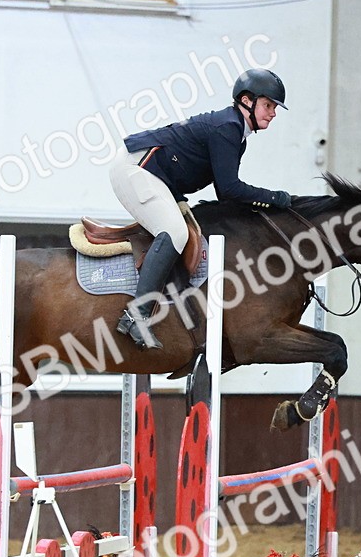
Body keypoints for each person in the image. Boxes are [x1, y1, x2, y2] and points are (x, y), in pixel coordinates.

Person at [110, 68, 294, 350]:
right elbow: (229, 189)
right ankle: (137, 315)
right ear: (247, 100)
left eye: (274, 107)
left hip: (157, 176)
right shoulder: (227, 128)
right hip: (137, 169)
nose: (273, 113)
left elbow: (226, 195)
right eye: (268, 105)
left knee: (186, 229)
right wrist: (274, 198)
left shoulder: (235, 130)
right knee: (174, 232)